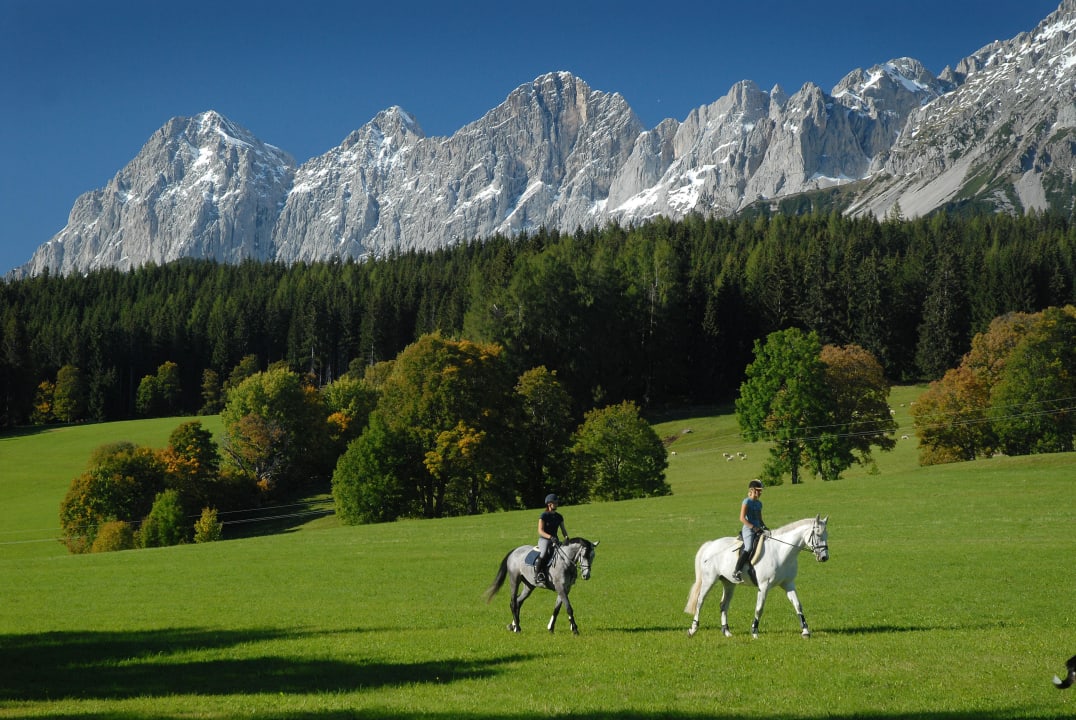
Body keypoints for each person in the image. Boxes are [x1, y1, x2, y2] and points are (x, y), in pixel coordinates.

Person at [731, 479, 767, 583]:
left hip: (758, 529)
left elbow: (760, 519)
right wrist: (753, 527)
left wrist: (764, 527)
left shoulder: (759, 504)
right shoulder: (746, 501)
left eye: (760, 491)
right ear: (752, 490)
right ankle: (737, 571)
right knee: (749, 547)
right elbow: (742, 518)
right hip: (748, 529)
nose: (760, 493)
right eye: (758, 490)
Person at [534, 493, 569, 584]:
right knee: (544, 553)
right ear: (549, 504)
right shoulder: (544, 516)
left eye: (557, 502)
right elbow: (540, 531)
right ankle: (538, 574)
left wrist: (566, 537)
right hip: (544, 539)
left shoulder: (559, 516)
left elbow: (563, 530)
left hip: (555, 540)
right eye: (555, 502)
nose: (557, 504)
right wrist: (550, 537)